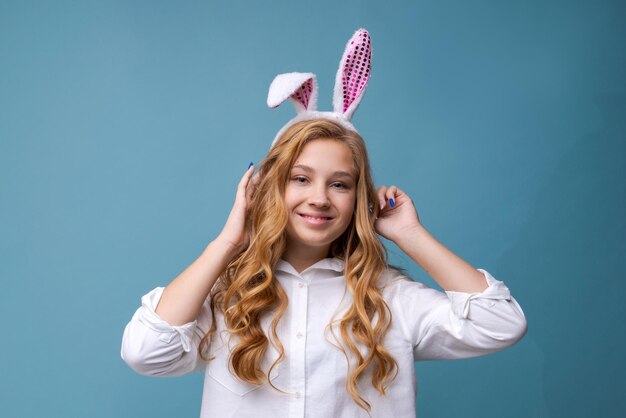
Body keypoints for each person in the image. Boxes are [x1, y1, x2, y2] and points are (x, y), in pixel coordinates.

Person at [121, 29, 527, 418]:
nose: (319, 197)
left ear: (358, 199)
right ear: (269, 188)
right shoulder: (227, 297)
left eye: (339, 184)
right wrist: (227, 243)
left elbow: (500, 324)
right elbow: (144, 351)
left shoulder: (390, 298)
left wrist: (410, 235)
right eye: (301, 178)